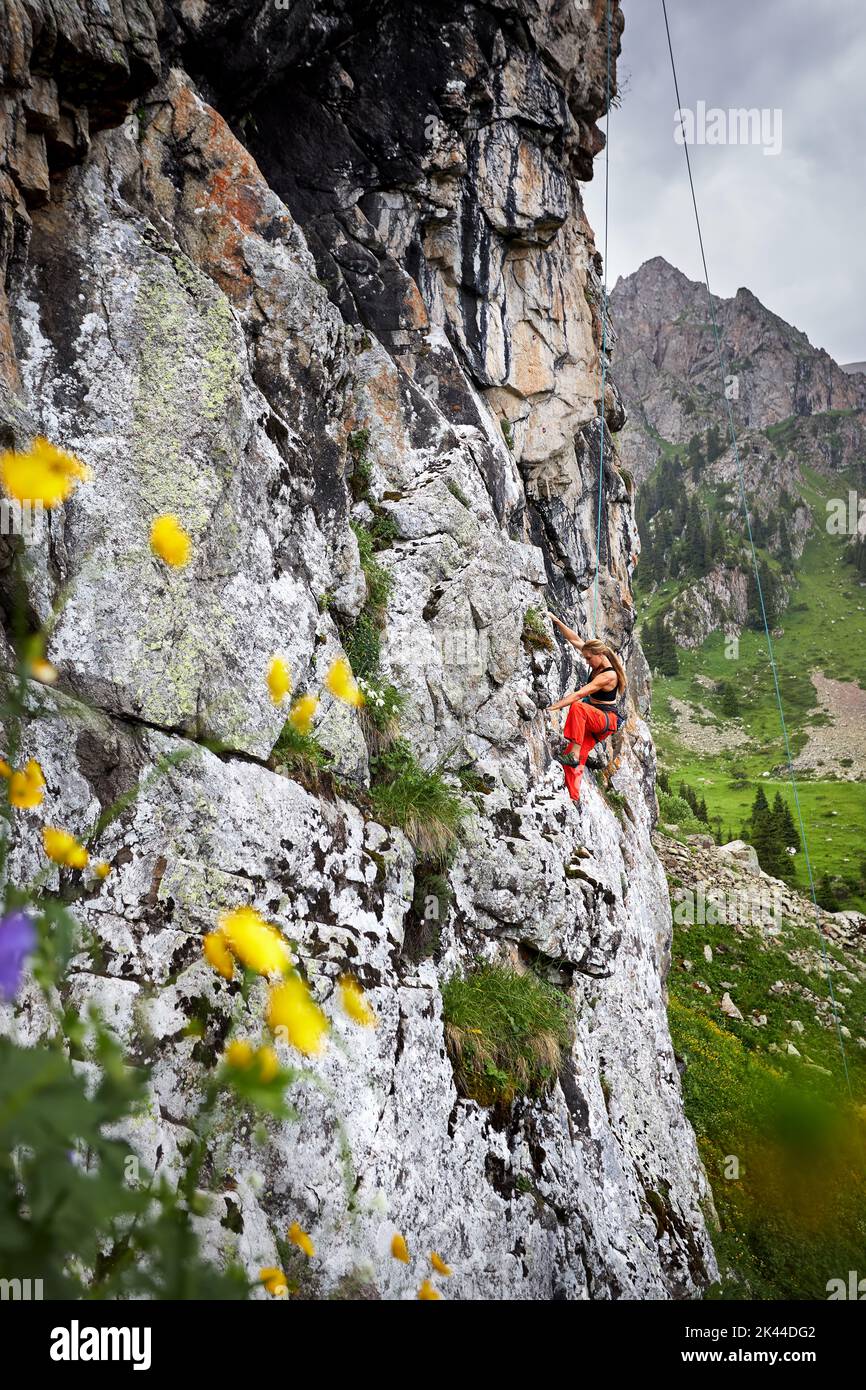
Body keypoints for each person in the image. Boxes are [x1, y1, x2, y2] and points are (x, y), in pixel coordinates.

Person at [546, 614, 627, 802]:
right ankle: (573, 798)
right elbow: (574, 638)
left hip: (604, 720)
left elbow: (580, 694)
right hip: (594, 720)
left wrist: (555, 707)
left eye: (589, 659)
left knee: (578, 707)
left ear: (600, 655)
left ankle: (573, 755)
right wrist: (556, 621)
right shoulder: (596, 657)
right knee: (573, 761)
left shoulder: (609, 676)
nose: (587, 662)